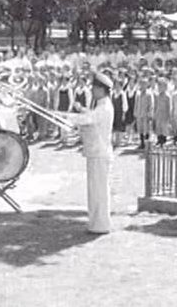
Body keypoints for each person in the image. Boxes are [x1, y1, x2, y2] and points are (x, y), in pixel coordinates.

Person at [61, 71, 115, 234]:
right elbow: (90, 116)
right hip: (96, 152)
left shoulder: (104, 107)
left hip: (99, 152)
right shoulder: (101, 105)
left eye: (94, 88)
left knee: (98, 191)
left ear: (101, 89)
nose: (91, 91)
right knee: (96, 190)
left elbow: (88, 120)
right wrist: (79, 111)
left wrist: (67, 116)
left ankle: (100, 225)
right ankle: (96, 223)